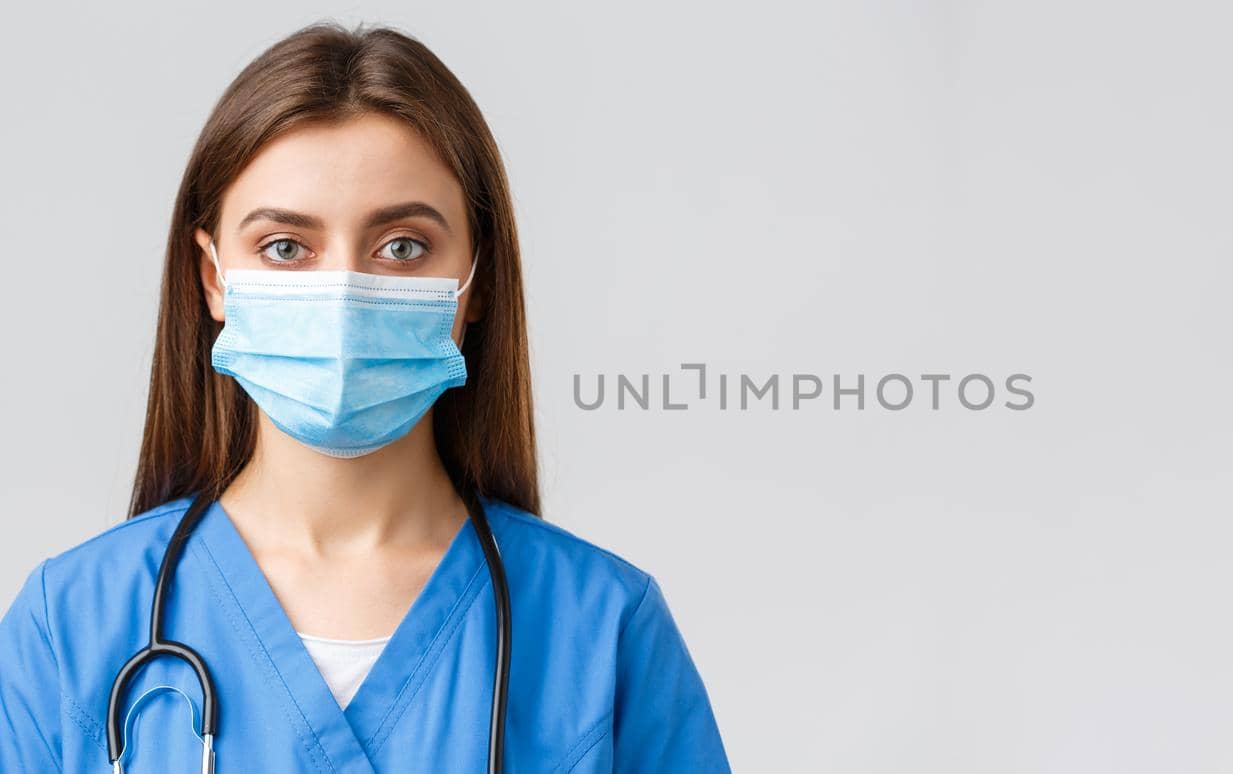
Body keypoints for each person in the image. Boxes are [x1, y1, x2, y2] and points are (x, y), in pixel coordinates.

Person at [0, 21, 731, 773]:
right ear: (214, 276)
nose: (343, 291)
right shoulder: (73, 626)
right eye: (285, 248)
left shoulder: (601, 630)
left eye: (402, 247)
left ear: (474, 280)